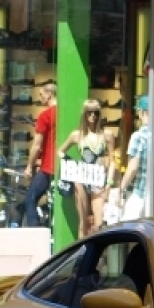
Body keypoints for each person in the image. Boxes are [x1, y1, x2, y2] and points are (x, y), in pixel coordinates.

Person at [56, 100, 113, 237]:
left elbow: (112, 161)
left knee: (100, 225)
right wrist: (70, 163)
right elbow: (60, 151)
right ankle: (82, 255)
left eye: (96, 112)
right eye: (89, 112)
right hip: (82, 179)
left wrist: (109, 183)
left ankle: (100, 257)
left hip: (99, 180)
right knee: (83, 223)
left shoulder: (107, 135)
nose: (93, 115)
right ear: (84, 114)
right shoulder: (77, 135)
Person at [120, 95, 154, 220]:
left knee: (128, 232)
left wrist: (121, 188)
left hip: (138, 193)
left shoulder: (137, 136)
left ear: (142, 112)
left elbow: (133, 167)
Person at [21, 81, 57, 227]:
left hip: (48, 167)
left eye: (41, 94)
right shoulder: (65, 113)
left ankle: (34, 234)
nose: (39, 97)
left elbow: (36, 145)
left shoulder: (45, 116)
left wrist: (29, 166)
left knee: (30, 198)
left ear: (49, 95)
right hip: (62, 167)